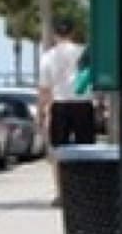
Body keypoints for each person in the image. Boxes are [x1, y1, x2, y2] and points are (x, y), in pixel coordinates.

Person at [38, 18, 96, 206]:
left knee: (59, 150)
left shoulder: (48, 56)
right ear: (72, 33)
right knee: (86, 149)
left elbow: (45, 89)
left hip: (61, 104)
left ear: (55, 34)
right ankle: (86, 190)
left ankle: (61, 192)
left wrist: (43, 112)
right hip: (83, 103)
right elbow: (92, 79)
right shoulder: (84, 53)